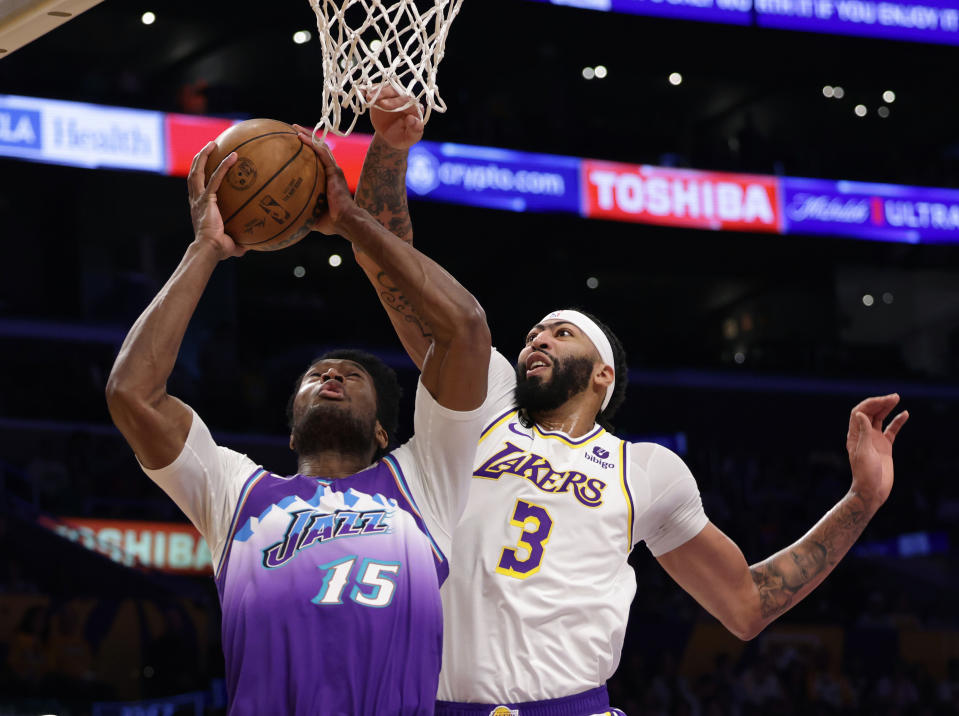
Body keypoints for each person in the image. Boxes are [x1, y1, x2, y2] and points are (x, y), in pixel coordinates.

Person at [343, 87, 910, 716]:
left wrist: (861, 501)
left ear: (601, 375)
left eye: (560, 333)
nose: (537, 339)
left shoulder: (647, 471)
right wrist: (389, 153)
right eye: (533, 332)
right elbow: (389, 268)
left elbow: (747, 605)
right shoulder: (483, 399)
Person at [105, 137, 491, 714]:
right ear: (290, 432)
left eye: (351, 376)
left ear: (385, 433)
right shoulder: (237, 493)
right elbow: (132, 395)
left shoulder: (424, 483)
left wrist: (353, 220)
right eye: (316, 375)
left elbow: (465, 328)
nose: (332, 374)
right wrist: (206, 248)